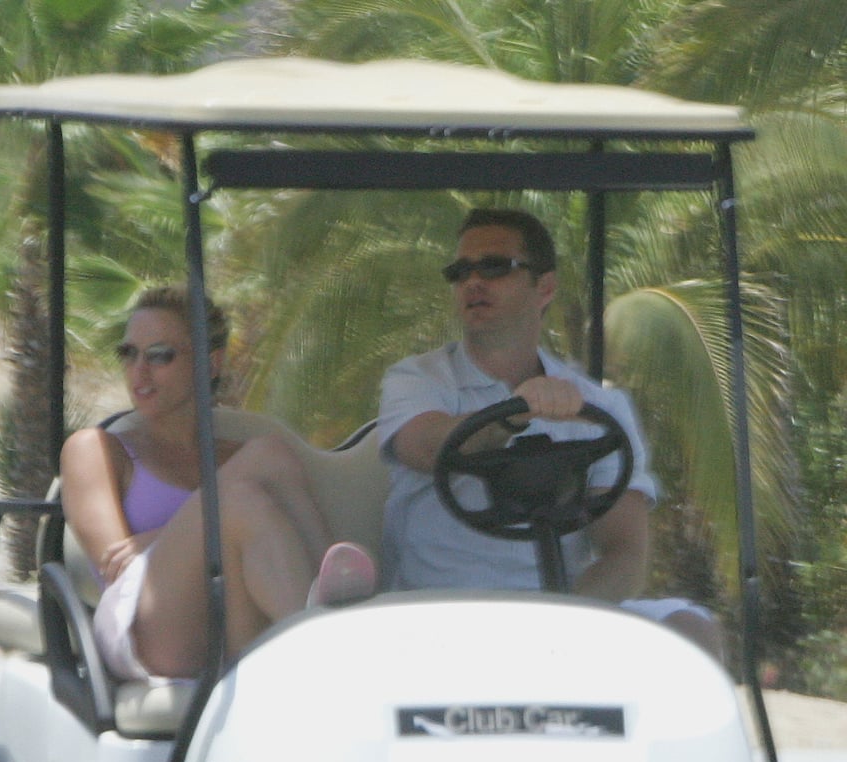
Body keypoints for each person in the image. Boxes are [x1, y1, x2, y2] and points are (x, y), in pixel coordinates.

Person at [377, 208, 723, 659]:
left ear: (545, 287)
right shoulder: (419, 380)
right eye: (460, 271)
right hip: (436, 616)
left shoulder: (600, 409)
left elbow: (625, 554)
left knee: (692, 630)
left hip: (558, 612)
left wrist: (561, 623)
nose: (473, 282)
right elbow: (426, 447)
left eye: (495, 266)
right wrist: (512, 414)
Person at [60, 285, 375, 681]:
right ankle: (332, 645)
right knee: (235, 500)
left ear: (209, 364)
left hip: (232, 621)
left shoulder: (241, 460)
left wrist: (157, 534)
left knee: (270, 456)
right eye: (129, 354)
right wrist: (165, 536)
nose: (139, 371)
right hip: (147, 626)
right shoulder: (97, 449)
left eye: (159, 356)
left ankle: (330, 604)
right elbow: (114, 565)